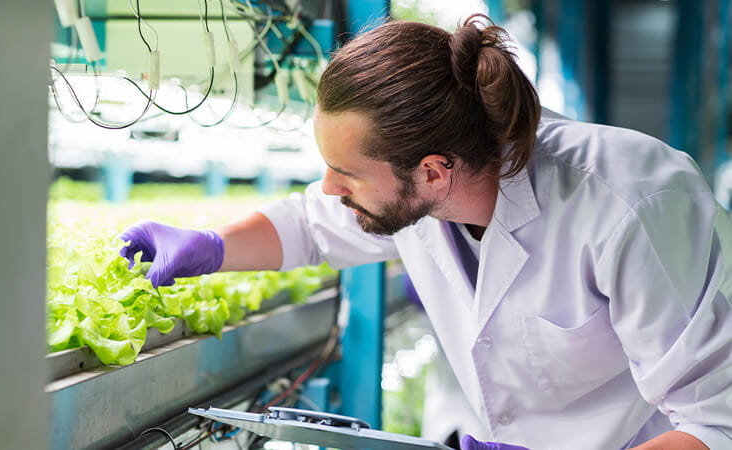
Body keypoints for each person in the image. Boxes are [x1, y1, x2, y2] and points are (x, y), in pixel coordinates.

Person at [119, 14, 732, 450]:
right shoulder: (422, 191)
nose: (332, 189)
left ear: (435, 172)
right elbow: (311, 222)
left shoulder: (632, 202)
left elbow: (716, 424)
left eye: (346, 174)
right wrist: (213, 246)